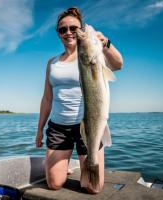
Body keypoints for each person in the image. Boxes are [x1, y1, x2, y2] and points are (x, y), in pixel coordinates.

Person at [35, 7, 123, 194]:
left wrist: (105, 42)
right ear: (58, 34)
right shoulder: (52, 63)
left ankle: (85, 161)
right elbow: (47, 98)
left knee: (93, 188)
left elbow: (118, 64)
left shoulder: (95, 55)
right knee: (54, 184)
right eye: (63, 29)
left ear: (80, 29)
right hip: (59, 127)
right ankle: (62, 165)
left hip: (89, 125)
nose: (68, 32)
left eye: (74, 28)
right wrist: (39, 130)